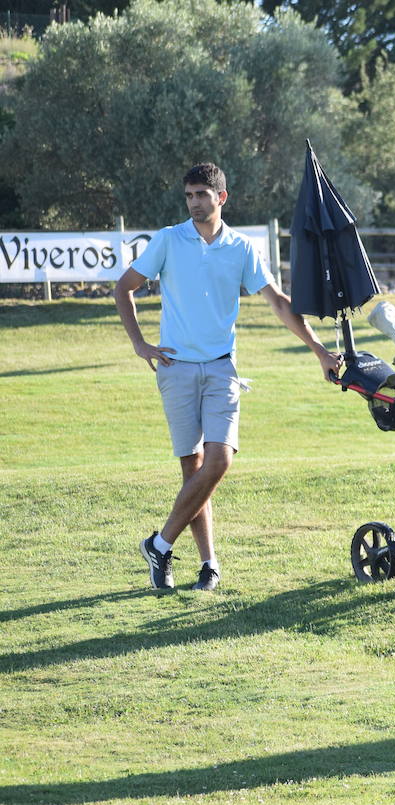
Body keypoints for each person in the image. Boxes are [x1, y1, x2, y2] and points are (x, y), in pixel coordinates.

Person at [115, 162, 339, 592]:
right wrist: (140, 345)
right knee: (193, 470)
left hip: (222, 367)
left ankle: (159, 544)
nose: (195, 202)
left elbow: (278, 302)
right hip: (175, 369)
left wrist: (320, 351)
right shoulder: (167, 240)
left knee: (219, 460)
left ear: (222, 197)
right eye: (189, 195)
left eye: (202, 194)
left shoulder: (241, 247)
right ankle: (208, 565)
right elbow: (123, 287)